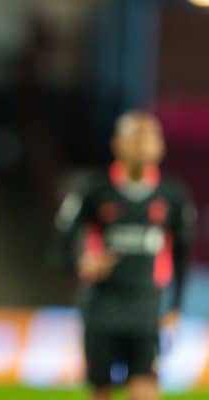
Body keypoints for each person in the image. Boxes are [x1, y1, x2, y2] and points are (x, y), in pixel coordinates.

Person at [53, 111, 195, 400]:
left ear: (161, 146)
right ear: (117, 143)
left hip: (146, 308)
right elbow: (60, 243)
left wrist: (176, 307)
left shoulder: (173, 195)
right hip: (101, 307)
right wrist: (81, 263)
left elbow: (182, 254)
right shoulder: (93, 190)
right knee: (100, 390)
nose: (142, 143)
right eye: (135, 136)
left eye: (149, 136)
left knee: (144, 389)